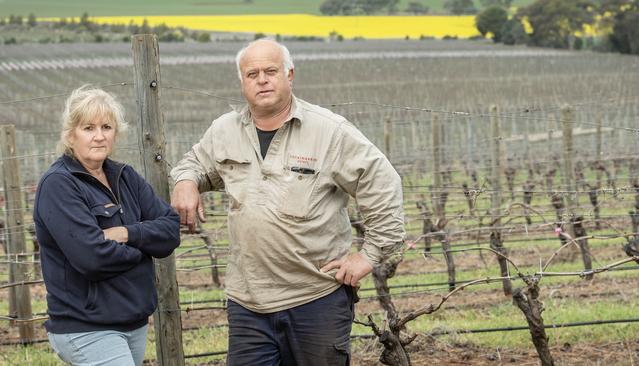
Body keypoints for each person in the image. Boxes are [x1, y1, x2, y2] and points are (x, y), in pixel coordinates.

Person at [170, 39, 405, 365]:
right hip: (248, 303)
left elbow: (383, 184)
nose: (262, 80)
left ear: (289, 75)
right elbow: (193, 163)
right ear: (242, 82)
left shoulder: (329, 131)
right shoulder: (224, 131)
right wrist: (185, 181)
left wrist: (370, 255)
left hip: (315, 299)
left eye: (271, 71)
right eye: (252, 74)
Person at [33, 86, 181, 366]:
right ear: (70, 134)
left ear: (117, 132)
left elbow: (171, 229)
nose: (99, 136)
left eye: (106, 127)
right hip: (86, 326)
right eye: (88, 127)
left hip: (132, 321)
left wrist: (128, 233)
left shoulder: (125, 177)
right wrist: (145, 250)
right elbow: (92, 257)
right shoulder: (59, 184)